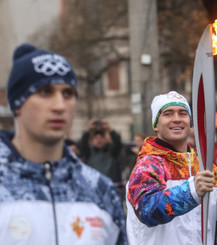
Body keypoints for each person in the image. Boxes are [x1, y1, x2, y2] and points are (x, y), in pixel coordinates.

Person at [0, 43, 127, 244]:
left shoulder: (99, 189)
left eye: (67, 93)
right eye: (45, 92)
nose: (59, 106)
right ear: (17, 104)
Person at [125, 91, 217, 245]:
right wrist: (191, 191)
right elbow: (147, 211)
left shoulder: (203, 165)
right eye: (168, 114)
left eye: (183, 114)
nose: (177, 119)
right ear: (156, 125)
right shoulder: (147, 166)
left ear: (190, 122)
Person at [79, 118, 123, 185]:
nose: (99, 140)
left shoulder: (112, 151)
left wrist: (109, 129)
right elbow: (82, 144)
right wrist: (88, 130)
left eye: (101, 137)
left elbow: (118, 142)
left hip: (111, 184)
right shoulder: (88, 152)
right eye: (96, 138)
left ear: (105, 139)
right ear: (91, 140)